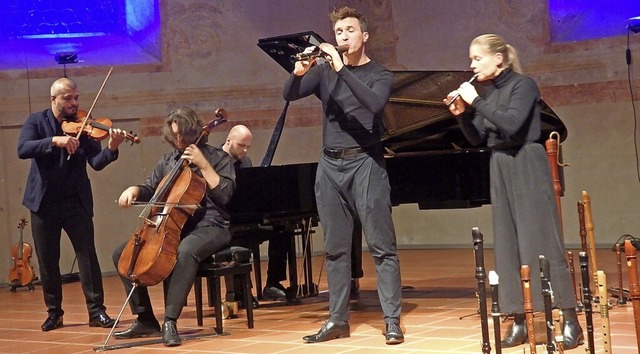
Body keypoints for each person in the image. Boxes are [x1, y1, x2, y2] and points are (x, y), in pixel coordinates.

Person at [445, 33, 584, 349]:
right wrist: (463, 114)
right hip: (500, 165)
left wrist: (475, 100)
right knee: (507, 245)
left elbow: (512, 124)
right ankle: (519, 319)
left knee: (543, 242)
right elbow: (478, 138)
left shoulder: (524, 85)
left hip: (526, 162)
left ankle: (571, 320)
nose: (472, 64)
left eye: (477, 58)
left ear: (498, 57)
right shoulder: (487, 91)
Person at [283, 6, 403, 345]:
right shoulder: (323, 74)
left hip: (365, 162)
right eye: (338, 32)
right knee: (335, 249)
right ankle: (337, 320)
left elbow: (374, 104)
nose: (343, 36)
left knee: (382, 246)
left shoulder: (380, 74)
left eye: (349, 30)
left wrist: (341, 68)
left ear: (364, 36)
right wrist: (297, 72)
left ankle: (392, 320)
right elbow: (289, 95)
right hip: (330, 166)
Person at [111, 107, 235, 347]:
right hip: (176, 226)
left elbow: (225, 195)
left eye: (183, 136)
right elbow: (151, 189)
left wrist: (203, 164)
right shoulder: (168, 160)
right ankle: (145, 318)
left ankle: (170, 321)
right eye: (174, 136)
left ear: (194, 131)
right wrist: (134, 190)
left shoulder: (219, 158)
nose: (179, 141)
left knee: (185, 252)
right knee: (122, 254)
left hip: (211, 224)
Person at [16, 77, 127, 331]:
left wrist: (111, 147)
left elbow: (96, 163)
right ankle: (55, 313)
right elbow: (23, 149)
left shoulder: (84, 124)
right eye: (68, 98)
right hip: (43, 203)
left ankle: (97, 312)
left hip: (76, 201)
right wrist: (56, 140)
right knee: (48, 260)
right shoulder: (36, 121)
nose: (74, 103)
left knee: (88, 257)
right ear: (53, 99)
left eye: (76, 97)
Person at [221, 125, 290, 301]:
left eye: (247, 147)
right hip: (224, 225)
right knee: (239, 240)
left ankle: (273, 284)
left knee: (282, 231)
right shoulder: (215, 162)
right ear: (228, 140)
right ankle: (242, 292)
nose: (244, 150)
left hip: (244, 221)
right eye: (241, 145)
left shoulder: (246, 162)